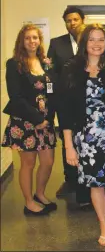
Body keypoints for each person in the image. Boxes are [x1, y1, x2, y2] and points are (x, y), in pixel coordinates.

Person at [60, 24, 105, 247]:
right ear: (84, 43)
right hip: (86, 139)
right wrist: (69, 145)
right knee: (96, 184)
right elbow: (66, 112)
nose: (96, 44)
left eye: (101, 40)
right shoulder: (72, 71)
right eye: (91, 40)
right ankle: (103, 224)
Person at [2, 24, 58, 216]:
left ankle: (40, 194)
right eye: (27, 38)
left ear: (39, 40)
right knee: (28, 164)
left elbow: (51, 91)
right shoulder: (14, 64)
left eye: (35, 37)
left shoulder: (46, 63)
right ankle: (28, 202)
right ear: (21, 41)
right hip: (25, 121)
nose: (32, 41)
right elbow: (15, 96)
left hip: (46, 121)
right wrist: (36, 119)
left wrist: (47, 118)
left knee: (48, 161)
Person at [47, 7, 91, 207]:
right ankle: (70, 180)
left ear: (83, 20)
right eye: (68, 20)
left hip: (87, 98)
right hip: (66, 98)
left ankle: (89, 180)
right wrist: (56, 94)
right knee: (68, 138)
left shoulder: (91, 40)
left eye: (75, 19)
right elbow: (51, 72)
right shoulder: (57, 44)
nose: (72, 23)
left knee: (87, 140)